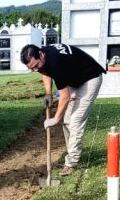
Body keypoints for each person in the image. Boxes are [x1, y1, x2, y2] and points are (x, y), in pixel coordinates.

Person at [19, 41, 104, 175]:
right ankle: (72, 152)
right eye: (32, 69)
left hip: (90, 78)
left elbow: (64, 97)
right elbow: (44, 71)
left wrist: (55, 119)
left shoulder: (56, 62)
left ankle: (71, 163)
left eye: (36, 65)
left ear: (40, 55)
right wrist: (48, 93)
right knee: (67, 119)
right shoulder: (44, 56)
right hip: (74, 79)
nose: (35, 69)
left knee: (75, 121)